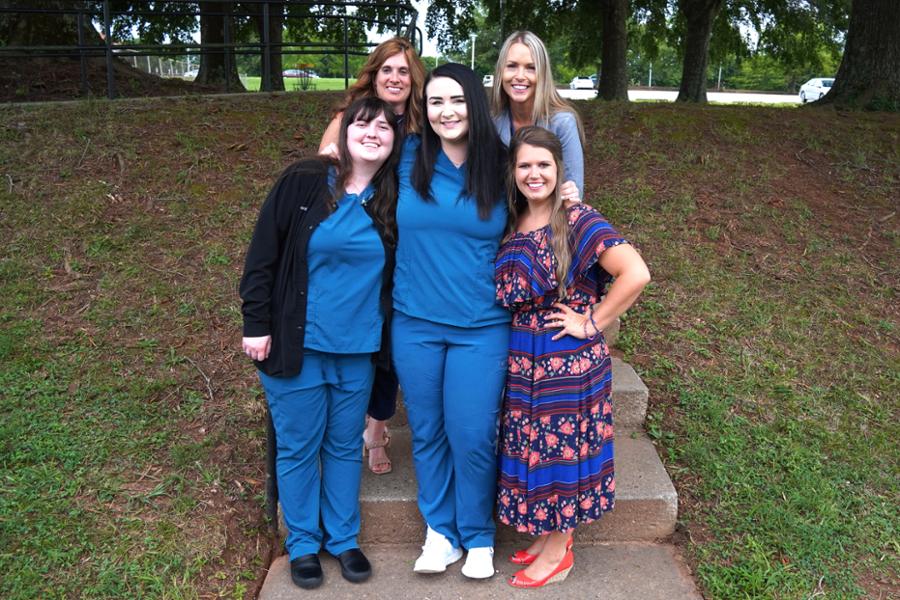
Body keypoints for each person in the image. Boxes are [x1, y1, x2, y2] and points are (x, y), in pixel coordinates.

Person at [240, 97, 402, 590]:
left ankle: (343, 540)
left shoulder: (390, 201)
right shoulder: (306, 181)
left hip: (358, 350)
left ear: (394, 142)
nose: (373, 131)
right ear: (344, 130)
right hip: (298, 346)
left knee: (341, 446)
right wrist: (255, 323)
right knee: (298, 446)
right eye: (362, 123)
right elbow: (262, 255)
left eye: (383, 126)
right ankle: (304, 543)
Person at [494, 126, 650, 588]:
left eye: (543, 164)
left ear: (559, 169)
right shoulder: (515, 219)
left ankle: (560, 552)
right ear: (514, 171)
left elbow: (635, 272)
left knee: (561, 454)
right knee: (537, 449)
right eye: (525, 165)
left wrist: (592, 321)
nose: (533, 173)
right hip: (526, 361)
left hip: (567, 361)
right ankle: (548, 538)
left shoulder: (576, 217)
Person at [391, 63, 509, 579]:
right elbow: (352, 130)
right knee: (428, 430)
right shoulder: (410, 155)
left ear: (475, 104)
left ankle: (477, 534)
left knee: (473, 432)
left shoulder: (502, 164)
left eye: (457, 100)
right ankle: (439, 532)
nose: (446, 111)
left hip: (482, 326)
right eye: (435, 102)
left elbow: (542, 210)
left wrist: (570, 200)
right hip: (414, 320)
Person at [319, 37, 427, 476]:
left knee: (390, 341)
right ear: (374, 74)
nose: (396, 78)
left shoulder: (421, 123)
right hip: (361, 238)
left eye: (403, 71)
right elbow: (325, 165)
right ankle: (344, 425)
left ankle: (377, 428)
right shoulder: (352, 117)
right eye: (388, 70)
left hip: (405, 239)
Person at [491, 30, 586, 197]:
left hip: (548, 219)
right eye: (512, 66)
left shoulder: (563, 123)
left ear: (542, 74)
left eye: (531, 68)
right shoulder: (493, 122)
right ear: (500, 71)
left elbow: (573, 195)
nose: (520, 76)